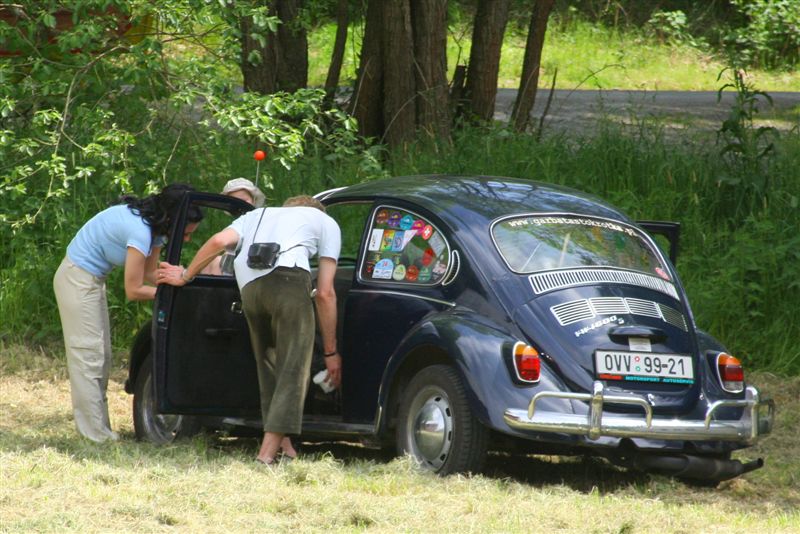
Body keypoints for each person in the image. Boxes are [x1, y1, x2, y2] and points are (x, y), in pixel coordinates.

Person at [157, 195, 342, 465]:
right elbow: (325, 292)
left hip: (250, 288)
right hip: (289, 280)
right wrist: (331, 352)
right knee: (293, 369)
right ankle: (265, 456)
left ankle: (285, 448)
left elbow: (218, 242)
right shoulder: (325, 221)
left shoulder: (256, 215)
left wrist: (185, 276)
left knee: (269, 368)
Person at [53, 183, 202, 442]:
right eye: (186, 233)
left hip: (92, 280)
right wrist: (167, 295)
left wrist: (184, 281)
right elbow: (133, 290)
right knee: (88, 356)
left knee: (102, 356)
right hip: (76, 278)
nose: (187, 238)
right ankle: (95, 436)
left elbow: (150, 273)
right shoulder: (140, 232)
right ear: (171, 220)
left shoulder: (156, 230)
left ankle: (100, 429)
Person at [202, 178, 266, 276]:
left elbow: (218, 241)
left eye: (244, 201)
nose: (239, 205)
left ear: (253, 200)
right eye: (234, 202)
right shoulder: (234, 226)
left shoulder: (262, 221)